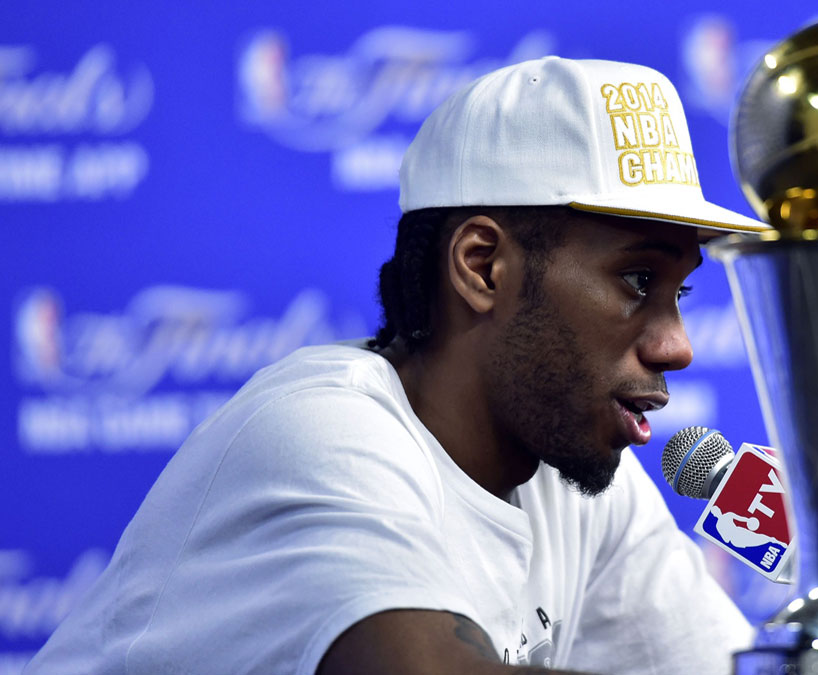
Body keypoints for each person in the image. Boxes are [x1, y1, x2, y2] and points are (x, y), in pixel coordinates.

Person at [26, 56, 771, 674]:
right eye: (639, 282)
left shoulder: (577, 476)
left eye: (680, 292)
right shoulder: (321, 431)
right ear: (483, 267)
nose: (677, 344)